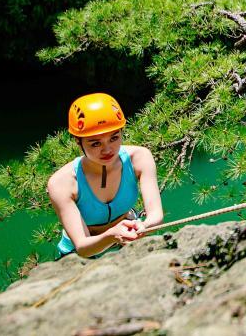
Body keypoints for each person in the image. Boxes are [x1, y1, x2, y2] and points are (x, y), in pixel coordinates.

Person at [47, 93, 163, 258]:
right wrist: (111, 236)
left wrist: (145, 226)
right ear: (78, 142)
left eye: (114, 138)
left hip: (129, 237)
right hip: (83, 254)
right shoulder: (62, 183)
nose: (107, 150)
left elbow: (156, 215)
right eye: (95, 143)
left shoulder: (139, 158)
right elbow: (82, 246)